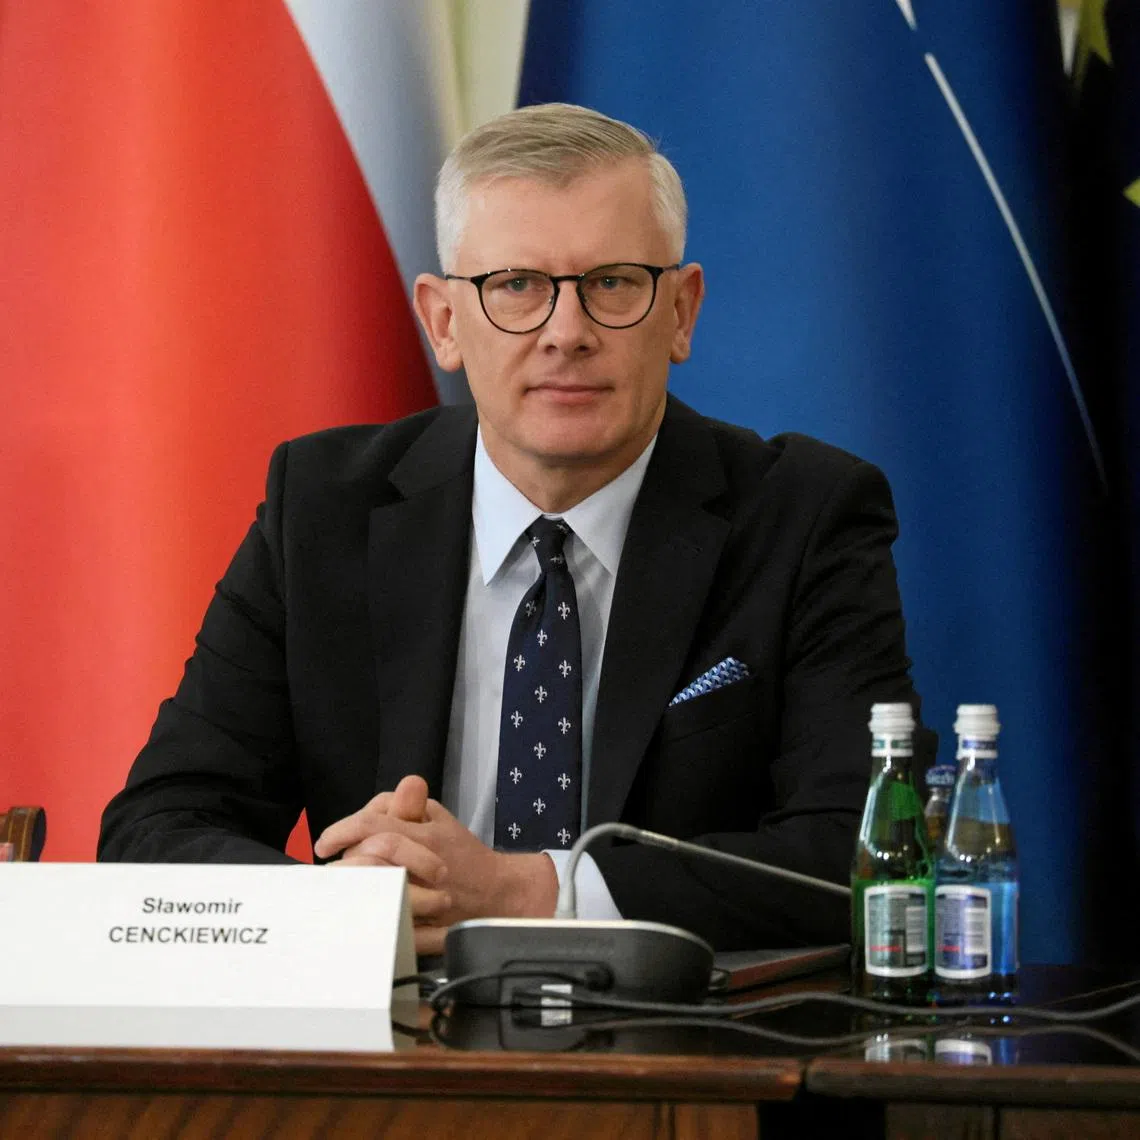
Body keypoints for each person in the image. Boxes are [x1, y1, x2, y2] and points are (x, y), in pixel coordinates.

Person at [98, 103, 926, 954]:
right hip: (395, 1024)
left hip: (681, 1031)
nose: (567, 333)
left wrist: (531, 893)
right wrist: (348, 910)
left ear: (681, 312)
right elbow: (158, 827)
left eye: (613, 283)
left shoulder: (805, 518)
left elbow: (865, 856)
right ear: (444, 322)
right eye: (517, 286)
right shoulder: (322, 509)